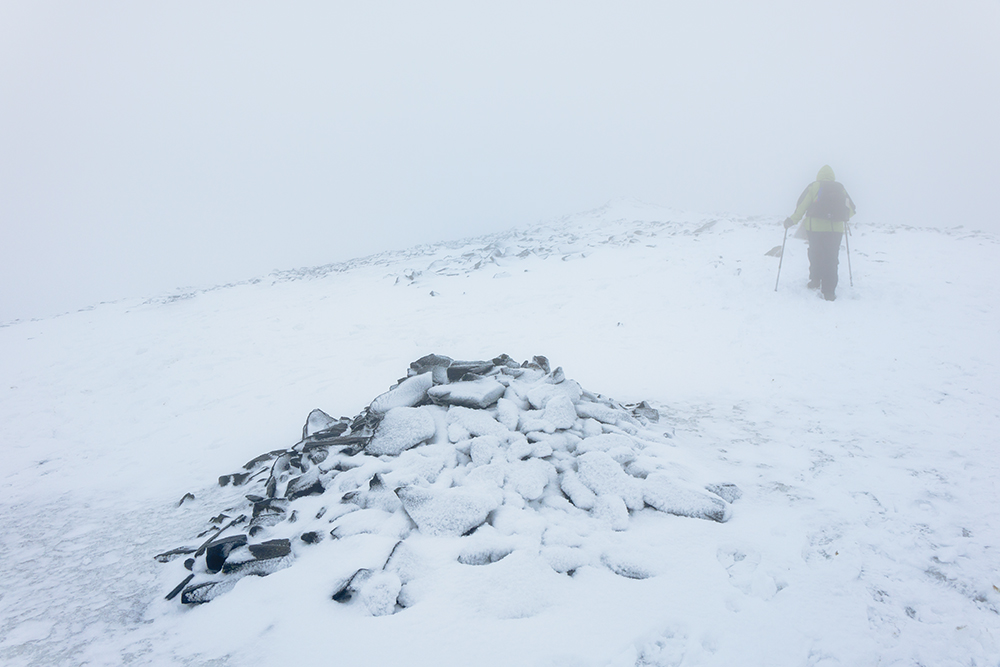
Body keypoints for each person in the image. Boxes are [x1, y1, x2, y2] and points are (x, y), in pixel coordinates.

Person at [784, 165, 856, 301]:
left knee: (815, 253)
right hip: (835, 230)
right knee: (831, 258)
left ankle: (815, 280)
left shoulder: (814, 187)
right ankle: (829, 292)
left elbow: (801, 207)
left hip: (815, 228)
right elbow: (851, 210)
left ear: (819, 175)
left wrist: (791, 221)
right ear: (832, 176)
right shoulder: (840, 188)